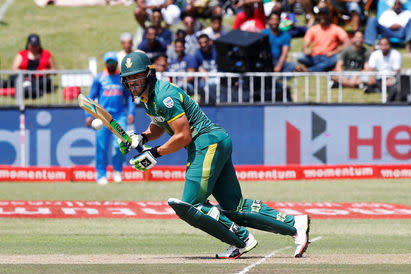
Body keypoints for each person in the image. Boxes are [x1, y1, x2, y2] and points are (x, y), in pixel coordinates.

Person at [118, 51, 310, 259]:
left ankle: (241, 239)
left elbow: (183, 136)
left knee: (190, 205)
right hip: (215, 140)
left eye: (137, 76)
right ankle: (295, 224)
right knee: (234, 207)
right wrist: (143, 138)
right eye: (129, 78)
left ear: (148, 74)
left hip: (206, 142)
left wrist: (154, 153)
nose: (133, 82)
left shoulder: (164, 96)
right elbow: (160, 124)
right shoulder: (149, 97)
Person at [85, 51, 136, 185]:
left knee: (120, 145)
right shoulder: (99, 78)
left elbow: (130, 97)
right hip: (102, 117)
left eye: (113, 62)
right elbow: (91, 98)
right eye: (109, 62)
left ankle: (118, 171)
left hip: (119, 117)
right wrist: (88, 115)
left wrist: (131, 113)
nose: (112, 64)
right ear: (106, 63)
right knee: (101, 147)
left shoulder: (121, 78)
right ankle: (101, 174)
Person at [295, 7, 350, 72]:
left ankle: (310, 69)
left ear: (329, 16)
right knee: (300, 56)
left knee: (338, 57)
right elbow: (305, 46)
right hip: (314, 57)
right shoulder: (313, 29)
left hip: (329, 56)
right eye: (320, 15)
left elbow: (347, 43)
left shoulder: (336, 29)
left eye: (324, 14)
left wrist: (334, 52)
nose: (322, 17)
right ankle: (323, 67)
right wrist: (306, 50)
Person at [9, 33, 56, 98]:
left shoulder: (46, 54)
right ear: (28, 45)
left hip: (39, 79)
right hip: (24, 78)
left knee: (46, 82)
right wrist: (24, 73)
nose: (34, 48)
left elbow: (54, 70)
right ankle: (25, 91)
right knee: (14, 79)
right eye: (32, 45)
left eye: (36, 45)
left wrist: (46, 71)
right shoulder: (22, 54)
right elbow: (14, 69)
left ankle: (34, 91)